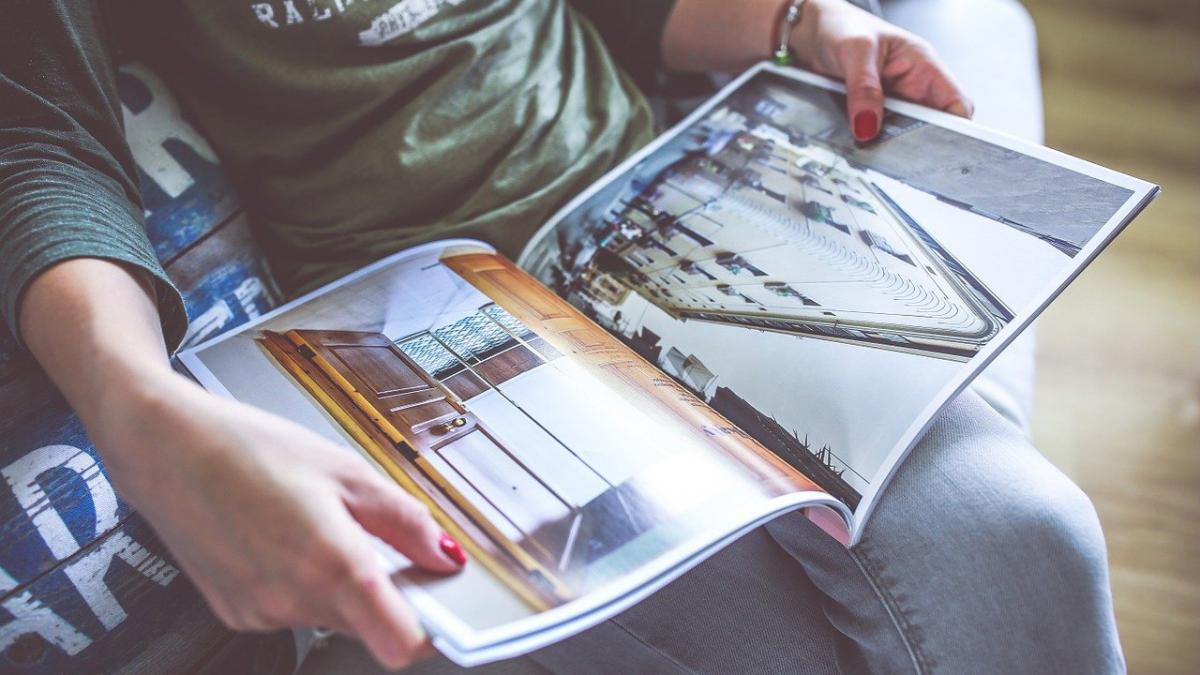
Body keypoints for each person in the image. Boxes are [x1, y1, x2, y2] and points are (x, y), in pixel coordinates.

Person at [1, 0, 1122, 672]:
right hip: (435, 316)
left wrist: (795, 23)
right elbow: (41, 141)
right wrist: (141, 407)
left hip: (661, 194)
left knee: (1032, 536)